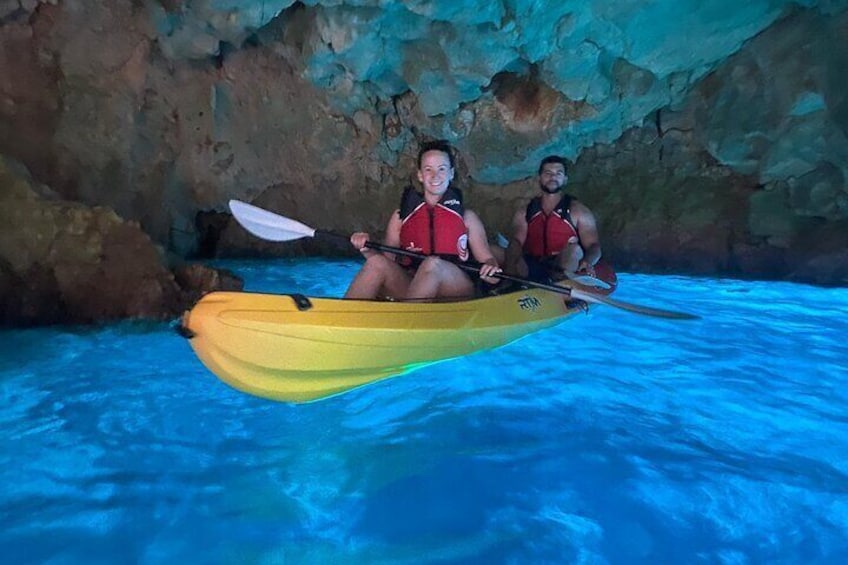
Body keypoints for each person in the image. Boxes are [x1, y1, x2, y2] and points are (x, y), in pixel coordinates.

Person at [344, 140, 501, 301]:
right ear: (420, 175)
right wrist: (366, 249)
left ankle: (406, 321)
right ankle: (341, 319)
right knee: (376, 263)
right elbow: (387, 261)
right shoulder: (400, 217)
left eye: (442, 169)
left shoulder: (468, 218)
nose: (435, 176)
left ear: (451, 173)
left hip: (455, 290)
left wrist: (491, 268)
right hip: (413, 290)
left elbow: (487, 259)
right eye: (428, 169)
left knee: (432, 264)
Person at [505, 155, 603, 284]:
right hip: (533, 264)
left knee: (575, 250)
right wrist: (510, 266)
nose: (553, 177)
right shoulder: (526, 211)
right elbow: (517, 242)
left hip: (563, 266)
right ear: (539, 178)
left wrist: (588, 262)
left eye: (558, 173)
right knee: (510, 248)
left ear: (565, 179)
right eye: (548, 173)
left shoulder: (578, 211)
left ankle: (562, 287)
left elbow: (594, 246)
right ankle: (509, 284)